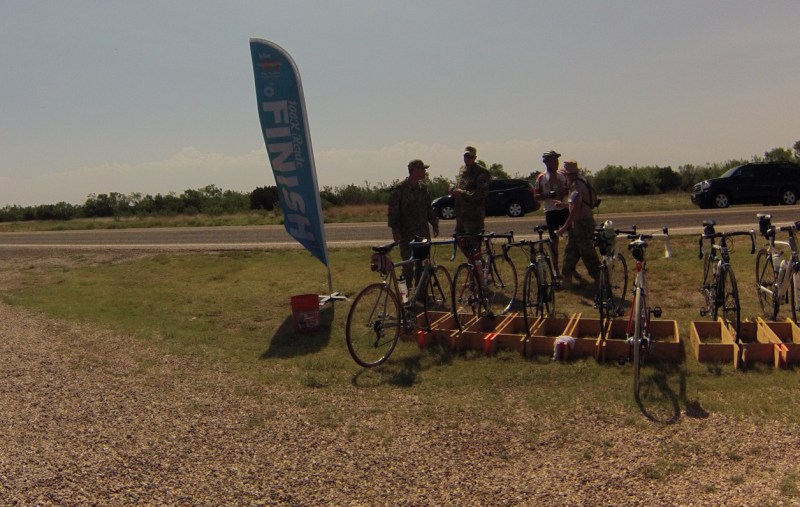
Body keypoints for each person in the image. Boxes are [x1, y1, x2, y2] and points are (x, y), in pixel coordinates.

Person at [387, 159, 440, 291]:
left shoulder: (423, 188)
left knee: (423, 264)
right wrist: (395, 230)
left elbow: (428, 208)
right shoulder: (399, 189)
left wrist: (434, 223)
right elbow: (393, 211)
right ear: (414, 170)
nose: (424, 172)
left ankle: (421, 293)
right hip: (406, 234)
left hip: (422, 232)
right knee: (408, 265)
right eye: (422, 169)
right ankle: (404, 295)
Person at [556, 160, 600, 290]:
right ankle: (566, 280)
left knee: (587, 252)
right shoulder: (580, 181)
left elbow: (576, 208)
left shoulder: (576, 185)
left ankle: (599, 278)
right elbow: (577, 204)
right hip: (580, 222)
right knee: (570, 251)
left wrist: (564, 227)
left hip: (583, 223)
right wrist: (564, 205)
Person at [533, 149, 569, 275]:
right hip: (551, 211)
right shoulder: (541, 178)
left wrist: (565, 193)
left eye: (557, 160)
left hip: (564, 209)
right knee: (554, 240)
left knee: (571, 237)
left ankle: (569, 266)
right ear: (547, 163)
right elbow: (536, 196)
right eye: (554, 161)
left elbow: (568, 190)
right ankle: (556, 267)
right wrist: (548, 195)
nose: (557, 163)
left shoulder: (562, 175)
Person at [451, 146, 490, 255]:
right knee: (459, 238)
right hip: (461, 213)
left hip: (474, 215)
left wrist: (463, 193)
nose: (467, 158)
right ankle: (472, 264)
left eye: (469, 156)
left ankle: (478, 267)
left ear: (475, 157)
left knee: (474, 244)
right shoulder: (462, 170)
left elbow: (482, 193)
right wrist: (453, 190)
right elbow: (460, 185)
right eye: (465, 156)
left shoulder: (481, 172)